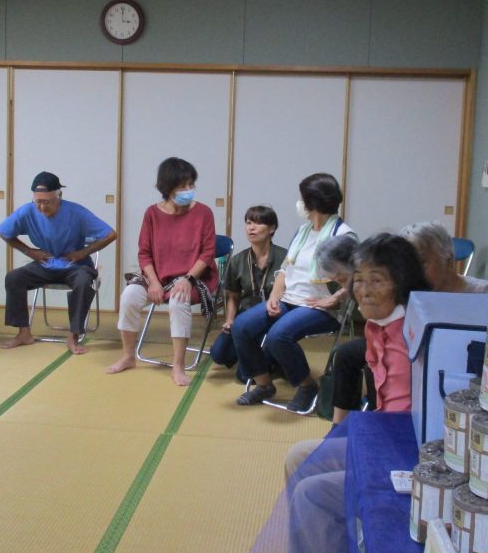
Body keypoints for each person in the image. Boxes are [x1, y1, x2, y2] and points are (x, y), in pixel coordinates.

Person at [284, 233, 430, 553]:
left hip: (409, 458)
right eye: (358, 279)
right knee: (298, 457)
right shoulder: (376, 324)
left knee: (311, 494)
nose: (362, 290)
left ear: (401, 282)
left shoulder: (418, 332)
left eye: (376, 280)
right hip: (383, 442)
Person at [327, 221, 488, 426]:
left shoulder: (483, 296)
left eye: (420, 262)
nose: (412, 271)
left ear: (448, 260)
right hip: (406, 353)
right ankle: (343, 424)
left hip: (454, 371)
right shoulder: (404, 300)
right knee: (349, 354)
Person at [234, 173, 356, 411]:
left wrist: (335, 298)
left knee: (279, 335)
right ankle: (264, 384)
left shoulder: (343, 236)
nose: (299, 203)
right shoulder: (303, 231)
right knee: (241, 326)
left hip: (320, 307)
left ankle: (307, 386)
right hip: (289, 299)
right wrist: (274, 296)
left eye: (302, 198)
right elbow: (284, 269)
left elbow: (357, 277)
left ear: (313, 202)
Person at [107, 157, 217, 387]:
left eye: (191, 184)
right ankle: (128, 356)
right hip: (157, 277)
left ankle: (178, 366)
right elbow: (144, 253)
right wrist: (154, 282)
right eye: (182, 186)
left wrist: (188, 279)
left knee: (178, 300)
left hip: (193, 277)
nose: (189, 190)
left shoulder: (203, 213)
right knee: (129, 297)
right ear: (167, 188)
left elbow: (207, 253)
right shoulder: (152, 213)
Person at [0, 171, 116, 355]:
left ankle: (74, 335)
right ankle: (23, 333)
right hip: (46, 264)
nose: (42, 207)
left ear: (59, 196)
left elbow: (110, 234)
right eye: (38, 201)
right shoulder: (28, 211)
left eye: (47, 202)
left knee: (83, 281)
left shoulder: (76, 212)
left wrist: (82, 253)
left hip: (75, 266)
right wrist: (29, 251)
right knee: (14, 278)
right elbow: (3, 231)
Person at [210, 205, 287, 383]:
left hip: (273, 317)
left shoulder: (285, 257)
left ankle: (274, 360)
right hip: (244, 317)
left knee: (244, 376)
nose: (251, 228)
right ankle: (253, 353)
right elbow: (233, 296)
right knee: (218, 354)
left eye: (258, 223)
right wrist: (230, 319)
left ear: (272, 228)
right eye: (248, 223)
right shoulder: (238, 260)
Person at [399, 221, 488, 293]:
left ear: (448, 260)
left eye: (421, 263)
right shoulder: (409, 298)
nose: (414, 274)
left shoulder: (487, 296)